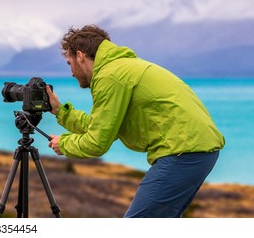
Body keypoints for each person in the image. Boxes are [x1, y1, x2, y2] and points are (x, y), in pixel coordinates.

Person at [45, 25, 225, 218]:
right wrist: (59, 111)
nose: (71, 72)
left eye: (69, 63)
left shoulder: (110, 76)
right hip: (197, 149)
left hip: (184, 151)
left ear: (80, 56)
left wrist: (63, 144)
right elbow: (101, 127)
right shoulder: (121, 68)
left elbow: (97, 143)